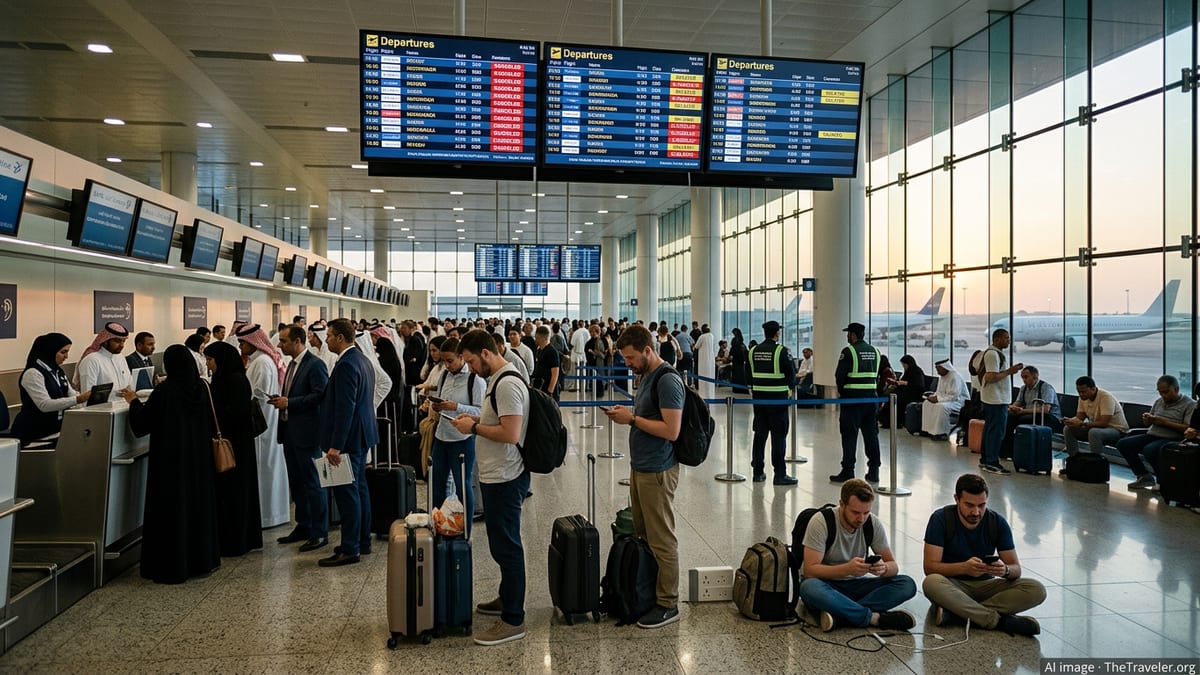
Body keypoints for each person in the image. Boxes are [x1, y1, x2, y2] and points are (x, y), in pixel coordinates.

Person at [449, 329, 530, 646]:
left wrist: (474, 427)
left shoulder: (507, 383)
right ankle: (505, 598)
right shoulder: (497, 380)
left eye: (470, 361)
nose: (469, 367)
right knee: (500, 544)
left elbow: (511, 433)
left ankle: (514, 619)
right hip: (497, 474)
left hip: (507, 476)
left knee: (508, 546)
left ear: (485, 353)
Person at [603, 324, 683, 629]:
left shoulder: (667, 380)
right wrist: (630, 414)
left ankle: (668, 602)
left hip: (659, 470)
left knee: (662, 538)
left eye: (631, 357)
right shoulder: (646, 376)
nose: (628, 363)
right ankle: (649, 591)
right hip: (641, 466)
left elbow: (671, 430)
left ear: (648, 350)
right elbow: (649, 417)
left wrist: (632, 418)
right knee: (645, 534)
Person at [122, 345, 220, 584]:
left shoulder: (165, 392)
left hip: (171, 464)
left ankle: (172, 566)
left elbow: (143, 424)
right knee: (197, 509)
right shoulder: (202, 388)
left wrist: (133, 401)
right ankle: (201, 561)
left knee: (171, 513)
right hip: (199, 463)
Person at [922, 473, 1046, 636]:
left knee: (1036, 589)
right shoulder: (941, 519)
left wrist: (1004, 571)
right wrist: (964, 568)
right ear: (956, 499)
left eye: (981, 505)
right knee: (931, 583)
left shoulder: (997, 522)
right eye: (969, 505)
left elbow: (1016, 569)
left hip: (986, 586)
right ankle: (998, 621)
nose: (976, 512)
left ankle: (958, 614)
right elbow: (930, 568)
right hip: (952, 585)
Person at [799, 479, 917, 632]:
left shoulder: (872, 524)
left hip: (856, 585)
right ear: (841, 504)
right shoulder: (821, 522)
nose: (861, 519)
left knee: (907, 584)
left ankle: (841, 615)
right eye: (855, 512)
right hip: (826, 585)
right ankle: (875, 618)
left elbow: (893, 566)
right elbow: (810, 571)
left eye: (866, 512)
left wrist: (884, 568)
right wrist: (847, 569)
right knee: (809, 587)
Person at [318, 318, 379, 567]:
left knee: (347, 493)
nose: (326, 340)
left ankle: (350, 548)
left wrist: (336, 445)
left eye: (329, 335)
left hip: (349, 438)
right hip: (362, 435)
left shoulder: (345, 364)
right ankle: (361, 540)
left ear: (340, 338)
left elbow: (346, 407)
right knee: (360, 490)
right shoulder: (362, 359)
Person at [269, 326, 330, 552]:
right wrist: (282, 400)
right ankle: (303, 525)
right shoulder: (292, 365)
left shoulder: (315, 365)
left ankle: (319, 531)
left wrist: (290, 403)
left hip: (307, 434)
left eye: (283, 341)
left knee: (313, 483)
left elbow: (319, 395)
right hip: (290, 432)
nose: (279, 345)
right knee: (297, 483)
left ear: (297, 341)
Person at [202, 341, 263, 557]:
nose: (208, 364)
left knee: (235, 494)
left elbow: (234, 413)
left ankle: (236, 541)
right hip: (234, 444)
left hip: (234, 446)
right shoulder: (225, 378)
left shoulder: (234, 380)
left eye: (210, 360)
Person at [427, 336, 485, 536]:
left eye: (450, 360)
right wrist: (437, 404)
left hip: (462, 439)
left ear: (462, 357)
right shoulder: (444, 375)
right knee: (436, 485)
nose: (447, 365)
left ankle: (466, 530)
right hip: (442, 436)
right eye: (444, 361)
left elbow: (480, 412)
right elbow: (444, 399)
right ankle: (438, 526)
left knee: (462, 486)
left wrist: (456, 406)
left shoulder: (475, 380)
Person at [235, 323, 290, 529]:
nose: (241, 347)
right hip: (265, 425)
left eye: (243, 343)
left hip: (262, 427)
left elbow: (258, 397)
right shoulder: (259, 361)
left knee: (265, 471)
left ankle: (266, 516)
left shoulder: (262, 362)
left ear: (252, 342)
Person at [1117, 375, 1195, 491]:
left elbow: (1189, 429)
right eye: (1160, 393)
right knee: (1123, 444)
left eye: (1166, 392)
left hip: (1172, 438)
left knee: (1150, 449)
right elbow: (1148, 424)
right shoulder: (1159, 401)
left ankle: (1162, 480)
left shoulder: (1189, 404)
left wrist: (1165, 422)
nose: (1163, 396)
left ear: (1176, 389)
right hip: (1153, 434)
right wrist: (1148, 419)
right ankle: (1143, 475)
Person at [11, 333, 91, 446]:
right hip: (33, 434)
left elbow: (71, 394)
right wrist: (78, 399)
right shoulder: (33, 373)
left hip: (56, 430)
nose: (66, 356)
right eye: (63, 352)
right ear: (50, 351)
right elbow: (44, 405)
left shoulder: (57, 371)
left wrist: (89, 399)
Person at [832, 322, 886, 483]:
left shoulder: (848, 352)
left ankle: (848, 470)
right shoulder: (876, 352)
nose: (847, 336)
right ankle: (874, 470)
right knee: (871, 435)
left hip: (852, 400)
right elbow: (877, 375)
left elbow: (839, 376)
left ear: (853, 335)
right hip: (871, 400)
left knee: (849, 436)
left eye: (848, 333)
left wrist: (843, 392)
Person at [749, 320, 798, 485]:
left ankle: (757, 472)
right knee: (778, 438)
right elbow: (791, 376)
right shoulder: (782, 351)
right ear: (777, 333)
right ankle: (779, 474)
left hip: (759, 401)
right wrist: (790, 389)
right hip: (778, 402)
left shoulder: (753, 351)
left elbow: (748, 375)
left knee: (760, 436)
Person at [975, 329, 1023, 476]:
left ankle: (986, 459)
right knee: (996, 432)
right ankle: (992, 462)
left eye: (1009, 338)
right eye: (1005, 338)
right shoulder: (992, 354)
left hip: (994, 399)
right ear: (996, 339)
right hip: (995, 400)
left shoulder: (994, 353)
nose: (1009, 340)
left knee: (990, 430)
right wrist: (1010, 371)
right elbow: (990, 377)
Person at [1061, 376, 1130, 461]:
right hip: (1097, 427)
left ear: (1093, 389)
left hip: (1116, 429)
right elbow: (1080, 417)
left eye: (1083, 392)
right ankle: (1074, 460)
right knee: (1068, 429)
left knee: (1094, 433)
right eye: (1079, 392)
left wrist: (1083, 424)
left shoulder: (1105, 397)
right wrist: (1071, 421)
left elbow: (1104, 422)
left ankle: (1096, 463)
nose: (1081, 394)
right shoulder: (1083, 398)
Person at [1000, 365, 1063, 457]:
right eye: (1022, 377)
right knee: (1009, 419)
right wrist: (1013, 408)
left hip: (1050, 418)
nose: (1024, 380)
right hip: (1030, 414)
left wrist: (1022, 411)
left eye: (1026, 377)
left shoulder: (1045, 387)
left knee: (1025, 419)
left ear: (1035, 376)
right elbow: (1019, 402)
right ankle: (1008, 451)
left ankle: (1028, 452)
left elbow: (1045, 409)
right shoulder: (1023, 388)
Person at [76, 321, 133, 402]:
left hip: (123, 407)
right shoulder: (91, 360)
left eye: (123, 341)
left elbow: (129, 384)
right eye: (117, 341)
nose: (122, 345)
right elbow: (87, 395)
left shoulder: (120, 358)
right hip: (101, 411)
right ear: (105, 340)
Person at [921, 359, 969, 438]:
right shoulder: (942, 377)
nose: (937, 372)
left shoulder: (955, 377)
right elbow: (939, 392)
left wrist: (938, 399)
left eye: (938, 369)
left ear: (944, 367)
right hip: (946, 400)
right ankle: (928, 430)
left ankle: (942, 433)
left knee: (941, 407)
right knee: (927, 403)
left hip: (959, 402)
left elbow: (954, 396)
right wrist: (933, 397)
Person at [879, 354, 925, 428]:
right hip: (905, 392)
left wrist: (905, 383)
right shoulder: (908, 372)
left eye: (904, 365)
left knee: (895, 399)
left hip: (913, 394)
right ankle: (887, 421)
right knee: (890, 397)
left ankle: (893, 421)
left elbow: (918, 386)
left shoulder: (917, 372)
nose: (904, 367)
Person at [531, 325, 561, 400]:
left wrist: (550, 391)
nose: (536, 340)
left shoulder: (552, 352)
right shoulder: (540, 350)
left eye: (537, 338)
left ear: (543, 338)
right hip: (541, 387)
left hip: (548, 389)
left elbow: (555, 373)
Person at [694, 324, 717, 400]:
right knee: (710, 376)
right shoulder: (711, 336)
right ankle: (710, 393)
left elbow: (696, 346)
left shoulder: (702, 337)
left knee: (703, 377)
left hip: (703, 360)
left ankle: (703, 394)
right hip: (711, 360)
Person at [729, 328, 750, 394]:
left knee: (736, 375)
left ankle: (736, 389)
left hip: (736, 360)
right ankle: (742, 389)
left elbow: (732, 349)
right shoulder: (741, 341)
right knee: (741, 375)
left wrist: (731, 354)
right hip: (740, 360)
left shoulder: (734, 340)